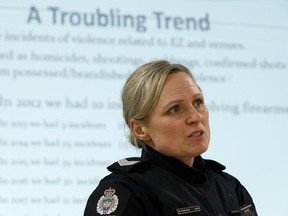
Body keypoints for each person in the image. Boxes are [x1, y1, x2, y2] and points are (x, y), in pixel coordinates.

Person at [84, 60, 257, 216]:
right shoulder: (127, 192)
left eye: (198, 102)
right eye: (175, 109)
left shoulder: (230, 187)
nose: (196, 117)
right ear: (140, 129)